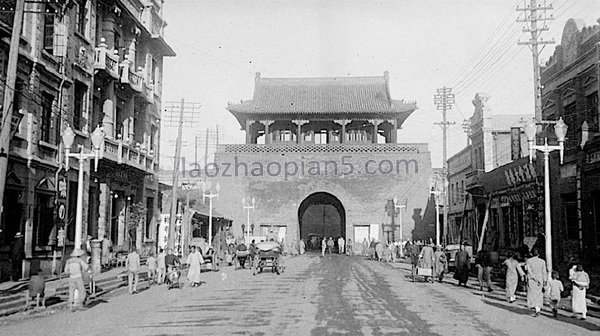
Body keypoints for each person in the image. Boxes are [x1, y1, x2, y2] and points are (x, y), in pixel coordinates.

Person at [525, 248, 547, 317]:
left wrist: (534, 278)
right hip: (540, 280)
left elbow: (529, 271)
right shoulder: (542, 261)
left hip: (532, 280)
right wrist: (545, 280)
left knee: (532, 295)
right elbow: (544, 272)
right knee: (539, 295)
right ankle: (538, 309)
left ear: (531, 254)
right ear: (539, 254)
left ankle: (534, 307)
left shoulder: (529, 261)